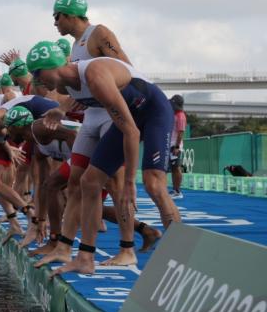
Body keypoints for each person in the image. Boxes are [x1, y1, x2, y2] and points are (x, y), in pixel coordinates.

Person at [26, 40, 180, 275]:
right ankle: (85, 258)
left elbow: (132, 131)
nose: (37, 81)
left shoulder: (95, 75)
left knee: (153, 183)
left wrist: (130, 182)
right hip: (127, 119)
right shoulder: (68, 85)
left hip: (153, 112)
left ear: (51, 67)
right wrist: (60, 111)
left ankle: (181, 255)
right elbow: (78, 96)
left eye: (37, 74)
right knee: (89, 182)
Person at [168, 95, 187, 199]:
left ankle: (177, 191)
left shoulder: (180, 116)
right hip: (169, 144)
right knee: (172, 168)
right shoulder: (174, 114)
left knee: (176, 168)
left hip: (175, 146)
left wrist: (176, 147)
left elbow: (181, 133)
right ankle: (174, 189)